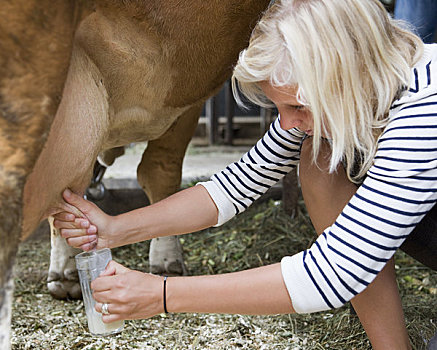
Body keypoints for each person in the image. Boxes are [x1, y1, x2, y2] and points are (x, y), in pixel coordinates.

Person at [54, 0, 437, 349]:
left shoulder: (424, 115)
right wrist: (115, 229)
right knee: (320, 157)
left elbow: (332, 273)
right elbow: (235, 186)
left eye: (296, 106)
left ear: (342, 75)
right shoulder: (358, 88)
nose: (287, 123)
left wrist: (162, 295)